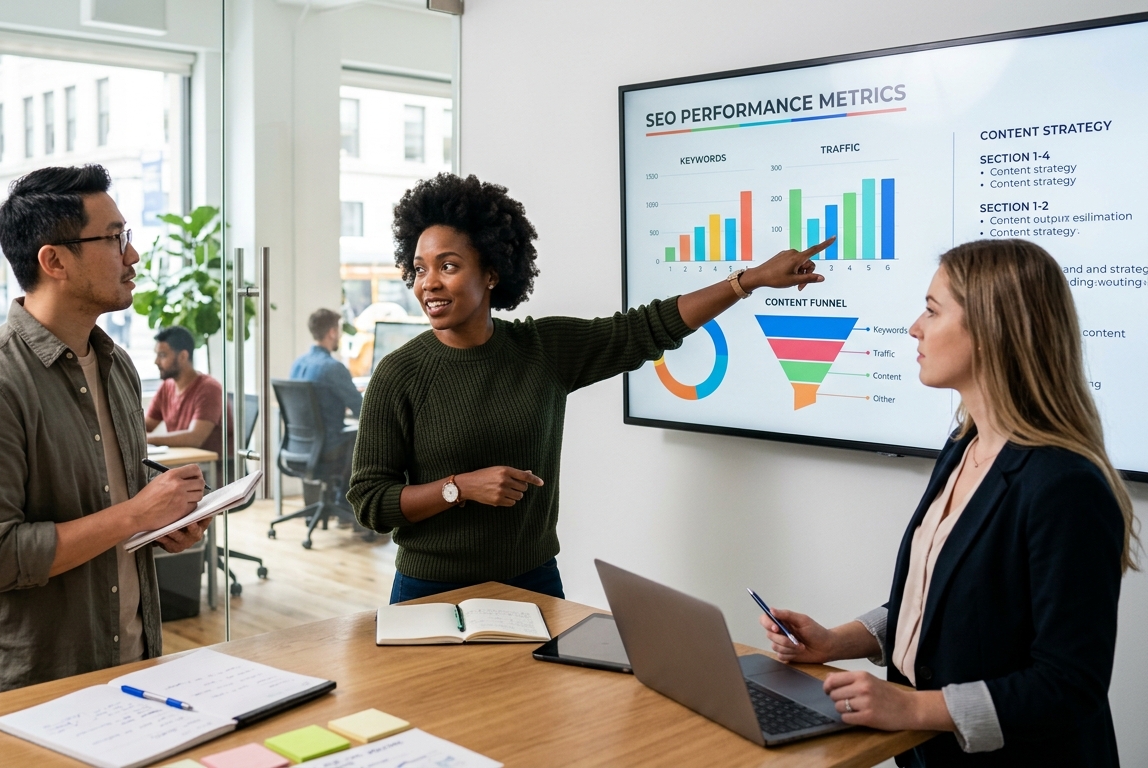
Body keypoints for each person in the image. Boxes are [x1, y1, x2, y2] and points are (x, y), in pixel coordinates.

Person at [348, 173, 831, 604]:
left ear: (492, 272)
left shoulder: (542, 349)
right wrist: (461, 488)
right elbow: (370, 501)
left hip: (531, 584)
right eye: (419, 268)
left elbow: (648, 327)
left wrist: (749, 281)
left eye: (447, 266)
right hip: (430, 593)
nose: (427, 283)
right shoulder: (399, 374)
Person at [758, 239, 1138, 766]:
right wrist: (835, 641)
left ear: (993, 331)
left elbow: (1070, 687)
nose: (914, 327)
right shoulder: (965, 445)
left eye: (932, 311)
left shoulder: (1065, 486)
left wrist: (912, 709)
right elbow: (946, 604)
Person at [0, 165, 210, 699]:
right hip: (38, 685)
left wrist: (167, 516)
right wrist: (135, 514)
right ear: (54, 260)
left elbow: (113, 487)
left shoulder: (117, 365)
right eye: (113, 238)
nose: (132, 255)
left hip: (132, 663)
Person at [290, 308, 363, 455]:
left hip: (299, 448)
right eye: (339, 330)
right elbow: (362, 410)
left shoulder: (298, 364)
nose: (340, 335)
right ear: (332, 332)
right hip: (328, 449)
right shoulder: (333, 368)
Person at [145, 325, 225, 455]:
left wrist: (147, 439)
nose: (156, 361)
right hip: (186, 466)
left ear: (183, 356)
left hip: (214, 471)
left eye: (162, 355)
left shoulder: (209, 388)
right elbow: (147, 425)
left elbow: (195, 438)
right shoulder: (167, 386)